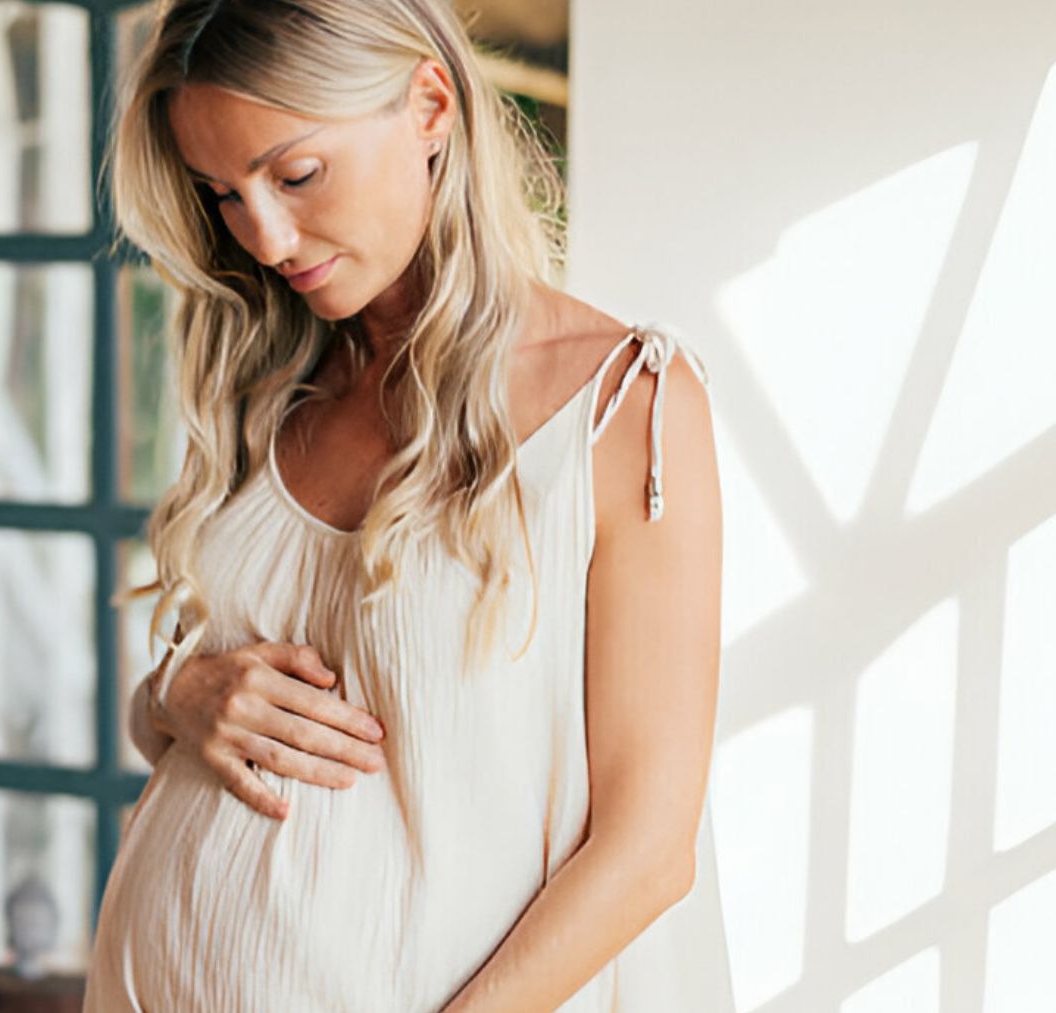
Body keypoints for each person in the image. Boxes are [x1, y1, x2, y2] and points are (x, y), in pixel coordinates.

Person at [86, 0, 733, 1009]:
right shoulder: (274, 380)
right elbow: (207, 709)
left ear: (429, 105)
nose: (264, 234)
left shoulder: (623, 409)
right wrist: (177, 696)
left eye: (295, 173)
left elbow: (649, 850)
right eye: (223, 194)